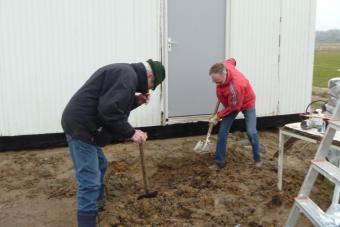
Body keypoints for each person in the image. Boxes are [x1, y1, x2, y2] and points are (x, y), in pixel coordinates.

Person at [61, 59, 165, 227]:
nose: (147, 89)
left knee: (101, 164)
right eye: (151, 84)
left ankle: (97, 203)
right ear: (150, 75)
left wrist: (134, 101)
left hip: (88, 124)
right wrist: (132, 132)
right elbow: (109, 111)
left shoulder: (126, 73)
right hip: (82, 127)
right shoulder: (127, 76)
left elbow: (111, 104)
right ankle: (88, 220)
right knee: (90, 182)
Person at [208, 58, 262, 170]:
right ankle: (219, 161)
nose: (217, 84)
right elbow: (232, 60)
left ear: (225, 74)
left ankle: (258, 159)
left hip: (247, 103)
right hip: (232, 102)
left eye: (219, 82)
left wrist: (218, 116)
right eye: (214, 81)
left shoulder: (235, 87)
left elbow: (234, 107)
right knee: (222, 131)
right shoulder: (224, 65)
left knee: (251, 132)